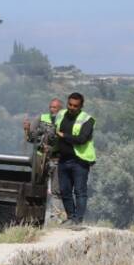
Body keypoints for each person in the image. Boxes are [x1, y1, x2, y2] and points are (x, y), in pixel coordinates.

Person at [53, 92, 96, 225]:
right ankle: (70, 217)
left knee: (79, 191)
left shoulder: (88, 120)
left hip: (80, 161)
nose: (71, 107)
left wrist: (63, 135)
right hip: (63, 159)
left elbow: (82, 139)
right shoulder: (61, 114)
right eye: (70, 104)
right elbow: (54, 132)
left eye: (75, 106)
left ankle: (78, 220)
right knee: (65, 190)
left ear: (81, 106)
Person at [24, 98, 64, 223]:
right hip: (41, 158)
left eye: (55, 108)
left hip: (58, 159)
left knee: (57, 190)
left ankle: (54, 218)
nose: (53, 110)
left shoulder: (65, 121)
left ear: (60, 109)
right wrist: (27, 129)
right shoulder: (41, 118)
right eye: (51, 107)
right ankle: (34, 217)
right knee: (37, 186)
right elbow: (30, 138)